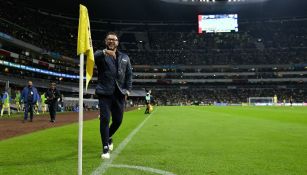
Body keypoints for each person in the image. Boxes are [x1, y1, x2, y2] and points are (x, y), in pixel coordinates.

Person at [95, 31, 132, 159]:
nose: (112, 41)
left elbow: (129, 75)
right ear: (106, 41)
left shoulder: (125, 57)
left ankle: (108, 136)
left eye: (114, 39)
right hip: (104, 92)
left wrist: (128, 90)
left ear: (117, 42)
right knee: (105, 119)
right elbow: (93, 56)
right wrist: (105, 52)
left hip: (119, 93)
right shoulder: (101, 55)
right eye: (109, 39)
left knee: (118, 120)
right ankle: (105, 147)